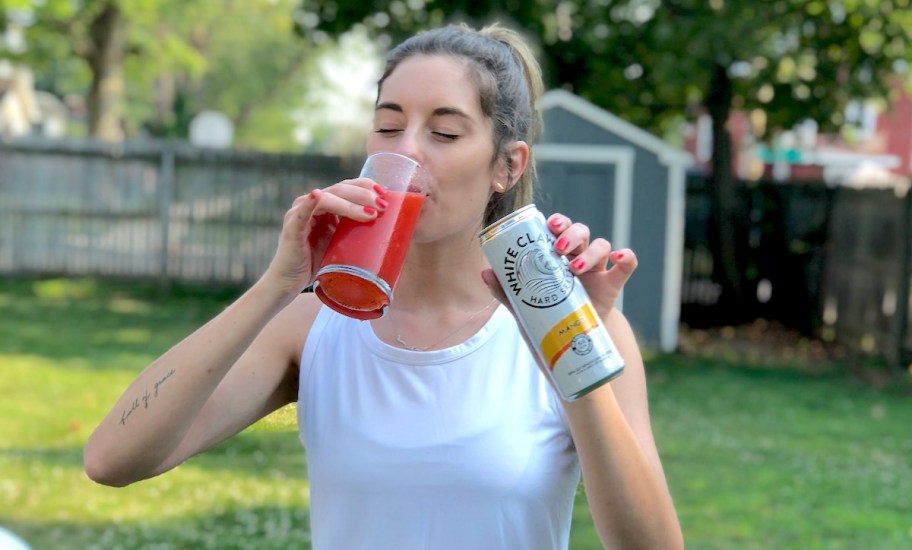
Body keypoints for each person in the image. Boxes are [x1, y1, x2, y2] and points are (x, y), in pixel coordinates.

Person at [84, 23, 683, 549]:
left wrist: (565, 351)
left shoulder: (577, 329)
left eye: (444, 134)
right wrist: (279, 284)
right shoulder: (315, 323)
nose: (408, 152)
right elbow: (112, 460)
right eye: (388, 126)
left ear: (508, 165)